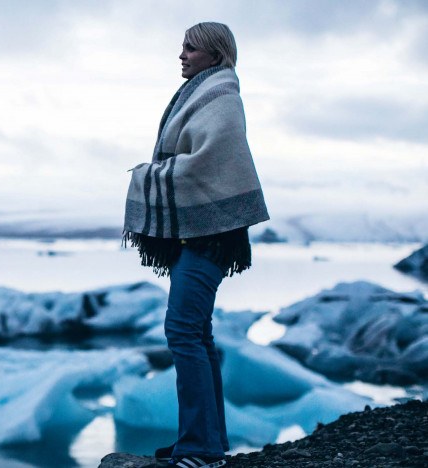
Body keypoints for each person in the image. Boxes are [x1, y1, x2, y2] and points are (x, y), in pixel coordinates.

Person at [123, 22, 269, 468]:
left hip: (213, 232)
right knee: (196, 333)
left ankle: (201, 449)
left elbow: (211, 162)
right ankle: (204, 442)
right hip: (201, 231)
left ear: (215, 53)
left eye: (191, 47)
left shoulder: (222, 96)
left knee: (183, 331)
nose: (182, 54)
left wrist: (148, 175)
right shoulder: (200, 94)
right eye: (183, 46)